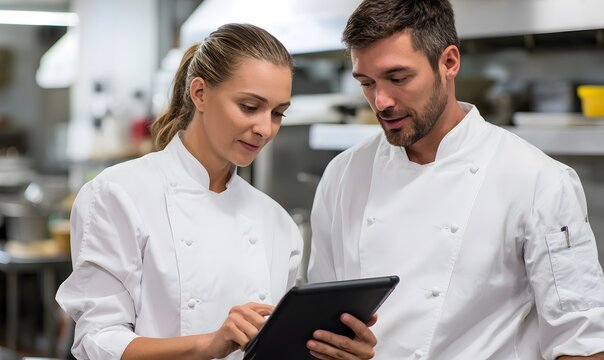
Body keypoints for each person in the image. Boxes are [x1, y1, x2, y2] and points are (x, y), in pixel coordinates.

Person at [56, 23, 376, 360]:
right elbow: (98, 340)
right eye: (250, 107)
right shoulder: (118, 195)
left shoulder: (276, 223)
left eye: (278, 113)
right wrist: (210, 343)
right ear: (200, 93)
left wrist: (331, 350)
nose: (265, 129)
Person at [307, 1, 604, 359]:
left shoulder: (538, 181)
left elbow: (581, 343)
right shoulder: (343, 175)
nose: (381, 101)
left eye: (398, 78)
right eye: (367, 83)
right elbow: (320, 327)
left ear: (449, 62)